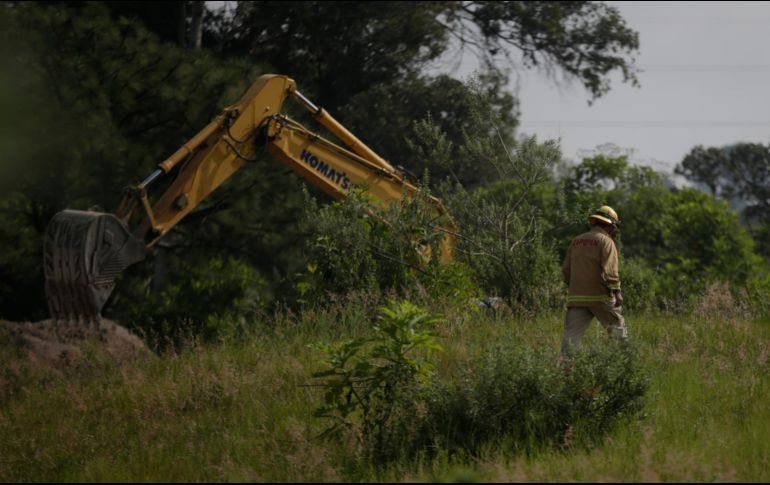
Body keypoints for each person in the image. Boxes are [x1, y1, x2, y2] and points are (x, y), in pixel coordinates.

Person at [561, 205, 628, 355]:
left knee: (571, 338)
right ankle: (625, 365)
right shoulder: (606, 241)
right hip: (601, 297)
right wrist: (617, 292)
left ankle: (566, 370)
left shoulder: (576, 241)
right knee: (618, 333)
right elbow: (610, 271)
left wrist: (575, 286)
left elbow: (566, 269)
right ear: (609, 226)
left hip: (577, 297)